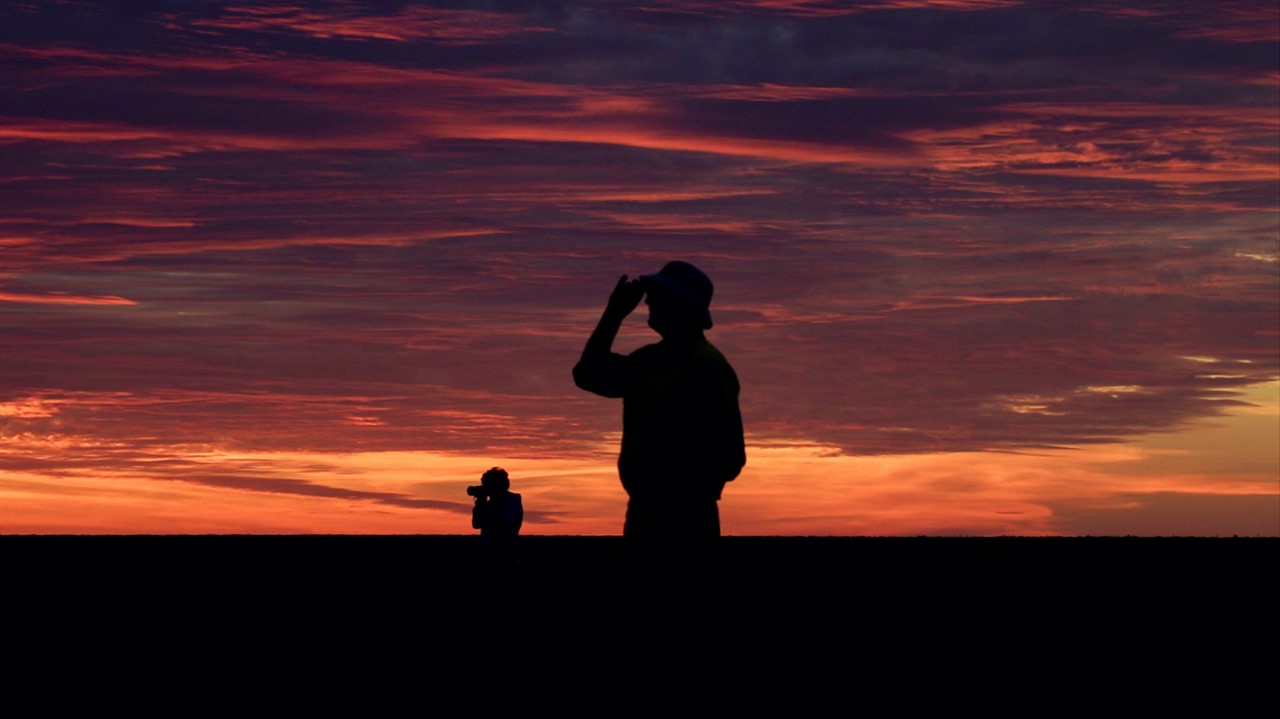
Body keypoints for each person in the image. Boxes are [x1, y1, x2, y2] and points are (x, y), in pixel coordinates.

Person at [572, 261, 745, 545]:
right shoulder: (649, 361)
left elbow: (729, 454)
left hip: (686, 520)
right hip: (645, 514)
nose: (648, 301)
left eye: (658, 295)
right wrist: (614, 314)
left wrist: (684, 492)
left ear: (679, 304)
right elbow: (589, 373)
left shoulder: (708, 367)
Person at [470, 467, 523, 561]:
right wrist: (480, 502)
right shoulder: (490, 503)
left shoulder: (513, 500)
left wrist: (484, 505)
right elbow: (476, 524)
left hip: (505, 555)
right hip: (487, 554)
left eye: (488, 485)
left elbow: (503, 521)